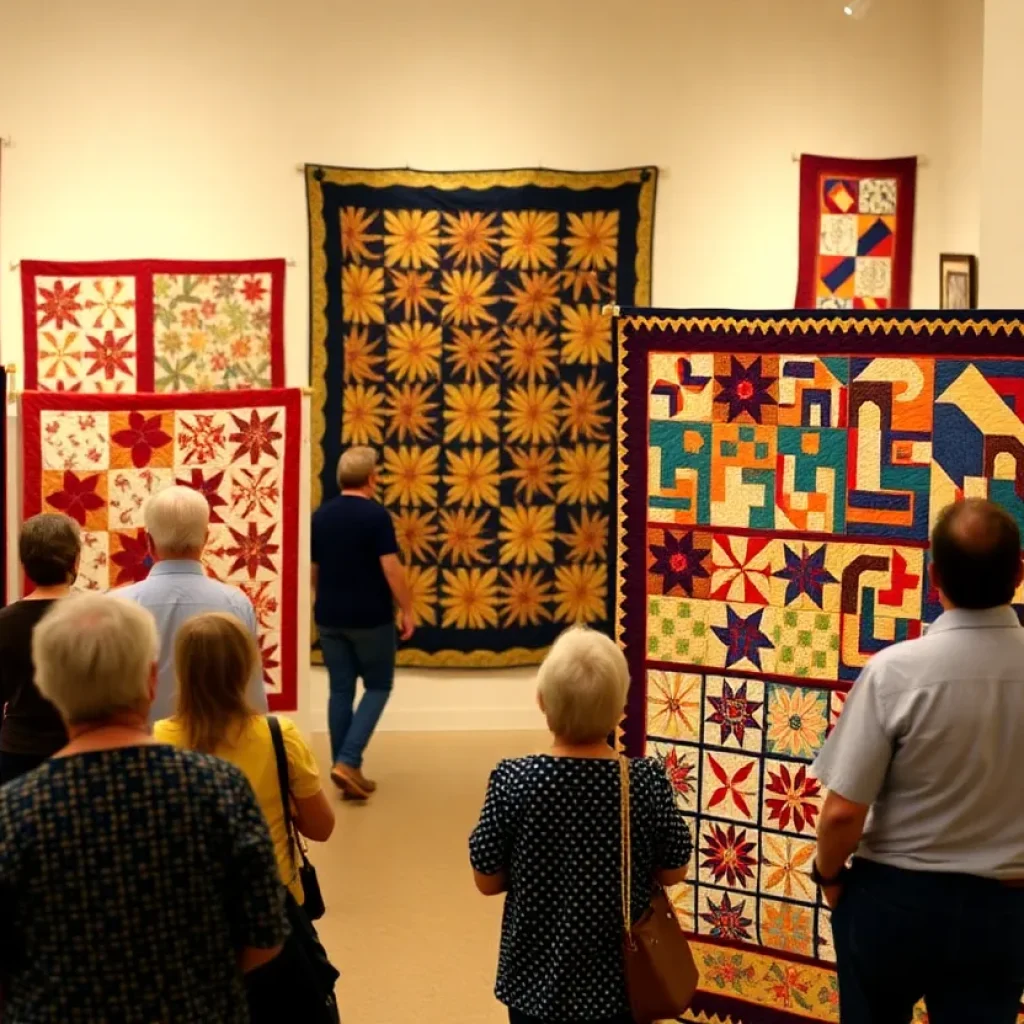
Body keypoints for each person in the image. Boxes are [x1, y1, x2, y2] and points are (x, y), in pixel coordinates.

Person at [0, 594, 287, 1022]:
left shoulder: (14, 812)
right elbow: (265, 934)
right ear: (151, 680)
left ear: (49, 687)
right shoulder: (220, 789)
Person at [813, 498, 1024, 1024]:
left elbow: (842, 812)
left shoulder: (893, 673)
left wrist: (829, 877)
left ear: (934, 577)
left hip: (893, 904)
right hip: (1004, 912)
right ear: (1019, 573)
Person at [469, 627, 692, 1024]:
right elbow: (673, 871)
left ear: (541, 700)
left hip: (532, 987)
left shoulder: (513, 780)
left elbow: (486, 880)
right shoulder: (645, 781)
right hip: (621, 989)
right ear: (621, 708)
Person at [154, 611, 336, 906]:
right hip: (273, 898)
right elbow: (321, 828)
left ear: (181, 669)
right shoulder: (279, 735)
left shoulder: (158, 740)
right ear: (247, 666)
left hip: (194, 902)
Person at [312, 446, 414, 801]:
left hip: (329, 617)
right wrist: (407, 609)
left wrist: (321, 603)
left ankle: (345, 768)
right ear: (372, 478)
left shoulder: (320, 516)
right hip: (371, 618)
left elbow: (314, 571)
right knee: (378, 686)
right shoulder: (376, 516)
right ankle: (349, 760)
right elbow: (390, 568)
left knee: (340, 690)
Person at [119, 484, 266, 722]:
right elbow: (253, 698)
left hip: (142, 742)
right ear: (206, 539)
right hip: (217, 742)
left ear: (149, 542)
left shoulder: (118, 607)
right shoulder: (236, 605)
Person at [0, 514, 81, 783]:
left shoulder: (5, 622)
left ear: (25, 564)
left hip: (18, 751)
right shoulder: (95, 617)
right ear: (75, 561)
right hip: (79, 745)